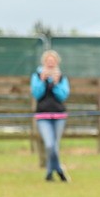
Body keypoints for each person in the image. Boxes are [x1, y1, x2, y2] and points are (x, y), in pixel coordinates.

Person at [31, 50, 70, 182]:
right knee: (49, 145)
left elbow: (63, 96)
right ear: (44, 62)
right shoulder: (36, 76)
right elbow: (36, 94)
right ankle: (59, 170)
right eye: (48, 61)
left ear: (57, 62)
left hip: (59, 116)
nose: (50, 63)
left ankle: (49, 173)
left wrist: (56, 83)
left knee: (55, 145)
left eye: (53, 61)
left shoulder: (62, 77)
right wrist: (42, 81)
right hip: (43, 116)